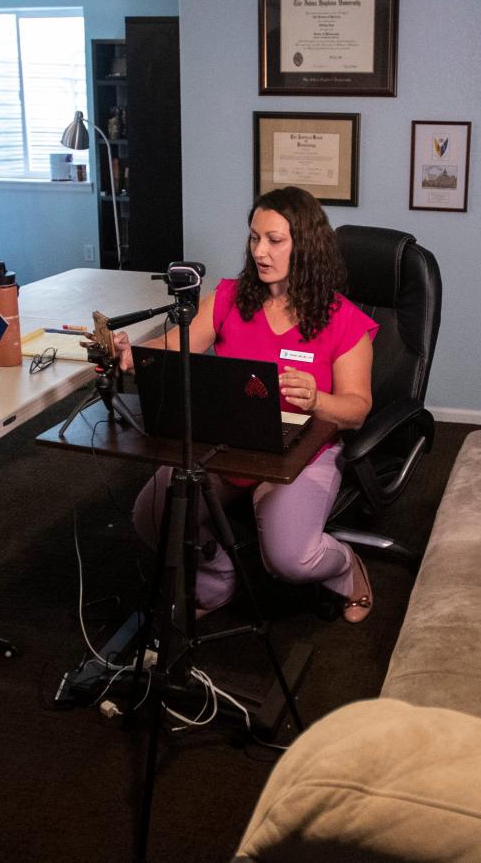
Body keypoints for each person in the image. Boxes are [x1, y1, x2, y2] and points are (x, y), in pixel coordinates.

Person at [114, 187, 378, 623]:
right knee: (154, 516)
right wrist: (131, 355)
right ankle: (218, 578)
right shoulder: (228, 297)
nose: (260, 251)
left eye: (275, 240)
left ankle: (347, 567)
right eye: (254, 238)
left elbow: (357, 409)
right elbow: (170, 351)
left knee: (289, 559)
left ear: (306, 246)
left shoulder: (343, 318)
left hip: (299, 452)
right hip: (228, 442)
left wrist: (317, 399)